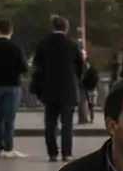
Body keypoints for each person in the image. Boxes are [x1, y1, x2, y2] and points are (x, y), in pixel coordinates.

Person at [32, 16, 85, 163]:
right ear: (66, 28)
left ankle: (52, 153)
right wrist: (76, 79)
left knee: (50, 122)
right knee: (67, 123)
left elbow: (37, 65)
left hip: (49, 89)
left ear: (52, 27)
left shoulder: (43, 44)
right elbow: (81, 66)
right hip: (68, 88)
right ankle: (66, 153)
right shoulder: (72, 45)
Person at [0, 19, 29, 158]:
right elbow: (23, 68)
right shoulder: (15, 48)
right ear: (11, 31)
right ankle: (9, 148)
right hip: (12, 85)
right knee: (9, 117)